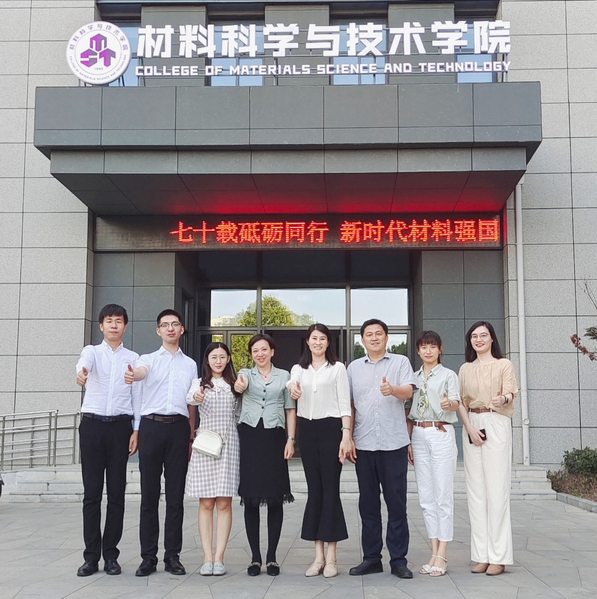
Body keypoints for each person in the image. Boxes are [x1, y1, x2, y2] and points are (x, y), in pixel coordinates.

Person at [125, 309, 198, 577]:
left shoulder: (190, 364)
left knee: (175, 497)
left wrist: (190, 436)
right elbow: (140, 373)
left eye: (175, 324)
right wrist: (134, 374)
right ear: (158, 330)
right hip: (152, 428)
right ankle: (148, 557)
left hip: (179, 429)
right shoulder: (147, 360)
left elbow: (191, 403)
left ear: (181, 329)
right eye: (165, 325)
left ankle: (172, 556)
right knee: (149, 495)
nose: (170, 328)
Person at [347, 318, 417, 579]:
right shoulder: (353, 368)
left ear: (387, 338)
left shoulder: (400, 362)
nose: (374, 338)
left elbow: (408, 392)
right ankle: (371, 558)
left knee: (396, 504)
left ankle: (398, 560)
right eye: (369, 334)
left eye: (379, 333)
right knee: (368, 505)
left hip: (393, 444)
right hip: (364, 444)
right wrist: (348, 437)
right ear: (362, 339)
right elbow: (349, 404)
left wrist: (392, 389)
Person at [75, 304, 141, 577]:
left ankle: (111, 556)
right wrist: (81, 373)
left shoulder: (133, 358)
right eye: (109, 321)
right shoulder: (91, 352)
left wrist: (136, 430)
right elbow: (83, 366)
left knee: (116, 494)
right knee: (92, 495)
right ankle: (90, 557)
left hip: (121, 428)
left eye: (119, 321)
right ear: (101, 325)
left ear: (125, 326)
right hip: (92, 425)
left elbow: (137, 397)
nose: (114, 325)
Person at [287, 323, 352, 579]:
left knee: (330, 490)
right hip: (308, 431)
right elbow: (291, 383)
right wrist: (292, 388)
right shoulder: (298, 368)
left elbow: (345, 403)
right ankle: (318, 557)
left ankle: (332, 557)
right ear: (307, 341)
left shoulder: (338, 368)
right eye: (314, 338)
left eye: (322, 338)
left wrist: (346, 435)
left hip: (331, 430)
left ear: (328, 342)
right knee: (315, 492)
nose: (318, 342)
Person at [457, 321, 518, 577]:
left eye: (483, 335)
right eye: (474, 336)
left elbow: (511, 393)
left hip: (496, 421)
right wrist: (469, 427)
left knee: (497, 489)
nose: (479, 339)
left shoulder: (504, 364)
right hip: (472, 424)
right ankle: (481, 555)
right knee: (476, 492)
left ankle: (499, 556)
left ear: (492, 338)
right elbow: (460, 402)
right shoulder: (465, 368)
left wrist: (502, 398)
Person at [234, 334, 296, 577]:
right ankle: (255, 557)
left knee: (274, 497)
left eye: (263, 349)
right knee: (250, 498)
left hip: (275, 437)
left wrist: (290, 439)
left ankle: (271, 557)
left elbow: (290, 409)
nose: (259, 354)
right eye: (255, 351)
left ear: (272, 351)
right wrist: (239, 386)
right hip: (250, 436)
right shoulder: (245, 374)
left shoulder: (285, 375)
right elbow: (239, 385)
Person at [408, 330, 460, 577]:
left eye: (432, 346)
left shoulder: (449, 375)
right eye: (424, 347)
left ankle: (443, 554)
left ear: (440, 349)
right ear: (418, 350)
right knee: (426, 498)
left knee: (443, 496)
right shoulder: (413, 377)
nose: (428, 351)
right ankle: (433, 552)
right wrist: (408, 441)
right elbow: (408, 411)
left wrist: (449, 404)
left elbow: (456, 403)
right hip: (418, 434)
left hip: (440, 432)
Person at [186, 342, 240, 577]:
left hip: (229, 444)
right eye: (213, 357)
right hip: (206, 446)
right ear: (207, 360)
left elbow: (240, 413)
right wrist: (197, 395)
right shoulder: (199, 383)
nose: (218, 361)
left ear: (228, 359)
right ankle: (207, 557)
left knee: (225, 503)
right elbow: (191, 398)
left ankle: (220, 558)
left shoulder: (235, 384)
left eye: (222, 357)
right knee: (206, 502)